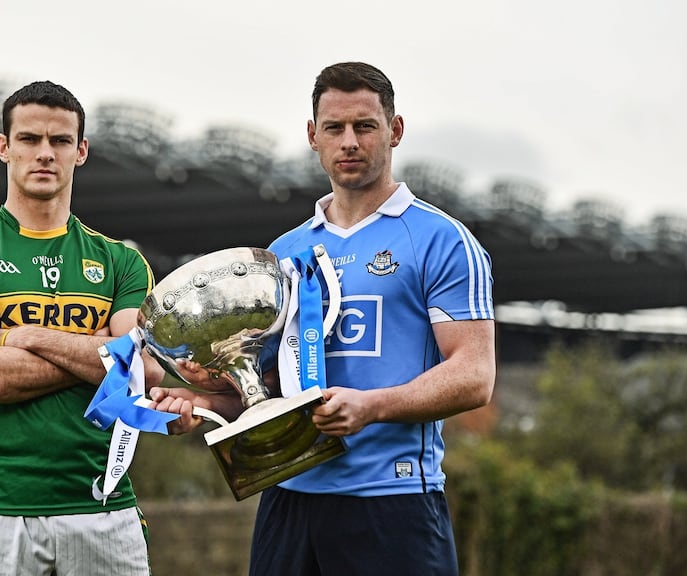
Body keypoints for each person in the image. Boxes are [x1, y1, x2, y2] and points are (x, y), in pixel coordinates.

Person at [149, 61, 496, 575]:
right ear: (313, 136)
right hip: (288, 499)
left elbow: (474, 375)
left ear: (395, 131)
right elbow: (266, 386)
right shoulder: (280, 256)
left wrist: (372, 406)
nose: (349, 141)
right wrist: (203, 402)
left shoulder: (440, 240)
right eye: (334, 128)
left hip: (392, 498)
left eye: (365, 126)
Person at [0, 80, 162, 576]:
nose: (44, 153)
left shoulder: (122, 262)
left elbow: (145, 370)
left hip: (104, 508)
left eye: (59, 141)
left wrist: (27, 337)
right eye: (30, 139)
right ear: (3, 147)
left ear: (81, 151)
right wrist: (101, 353)